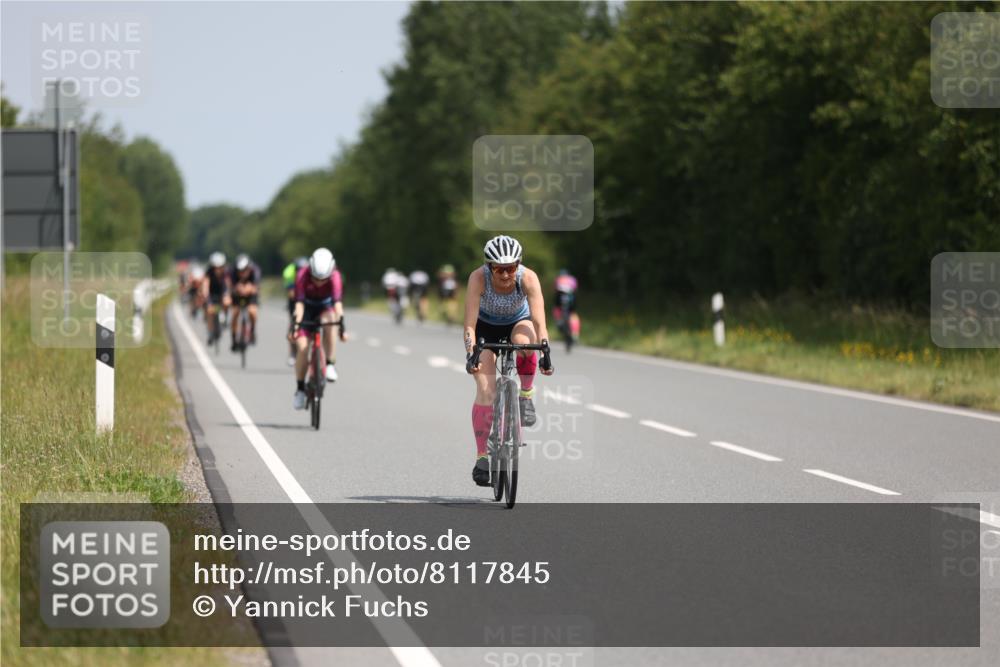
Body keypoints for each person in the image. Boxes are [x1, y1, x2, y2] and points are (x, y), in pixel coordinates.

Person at [464, 235, 553, 486]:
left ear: (518, 265)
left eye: (511, 268)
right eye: (499, 269)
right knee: (486, 390)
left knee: (525, 342)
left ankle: (526, 395)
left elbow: (540, 323)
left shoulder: (528, 278)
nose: (505, 274)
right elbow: (469, 326)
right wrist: (471, 354)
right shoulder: (478, 278)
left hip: (518, 322)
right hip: (485, 329)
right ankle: (482, 457)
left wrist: (545, 353)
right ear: (489, 266)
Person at [289, 248, 347, 410]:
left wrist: (342, 327)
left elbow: (337, 304)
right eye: (315, 278)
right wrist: (295, 326)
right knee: (302, 348)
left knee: (330, 322)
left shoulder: (335, 276)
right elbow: (299, 304)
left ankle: (330, 363)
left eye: (324, 279)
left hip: (325, 307)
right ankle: (300, 389)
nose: (319, 282)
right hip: (306, 308)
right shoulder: (302, 275)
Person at [229, 253, 261, 351]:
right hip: (237, 294)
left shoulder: (255, 271)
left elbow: (256, 287)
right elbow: (231, 286)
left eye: (244, 270)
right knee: (235, 314)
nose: (242, 273)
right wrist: (238, 289)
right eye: (240, 271)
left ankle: (252, 331)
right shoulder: (233, 271)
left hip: (250, 294)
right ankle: (234, 339)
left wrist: (249, 289)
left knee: (252, 312)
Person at [282, 256, 309, 366]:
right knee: (293, 323)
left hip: (309, 297)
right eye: (299, 270)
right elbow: (291, 293)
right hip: (294, 299)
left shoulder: (310, 272)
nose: (301, 272)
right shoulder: (289, 272)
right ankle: (293, 353)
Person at [201, 251, 230, 344]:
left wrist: (227, 294)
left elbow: (228, 285)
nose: (218, 269)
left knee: (226, 302)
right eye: (215, 267)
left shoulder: (226, 273)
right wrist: (205, 293)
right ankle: (210, 332)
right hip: (211, 294)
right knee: (210, 311)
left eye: (220, 267)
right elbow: (205, 284)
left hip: (222, 293)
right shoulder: (208, 272)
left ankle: (225, 317)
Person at [553, 269, 581, 343]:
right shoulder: (572, 279)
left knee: (557, 308)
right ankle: (575, 333)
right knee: (573, 314)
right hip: (571, 298)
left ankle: (558, 321)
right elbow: (575, 289)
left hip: (560, 298)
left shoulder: (558, 279)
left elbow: (555, 290)